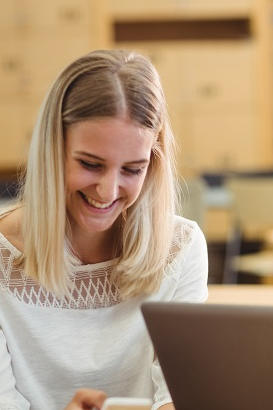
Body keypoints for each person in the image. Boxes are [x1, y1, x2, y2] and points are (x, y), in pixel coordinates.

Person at [0, 50, 208, 409]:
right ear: (52, 150)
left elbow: (179, 395)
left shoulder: (182, 247)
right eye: (91, 164)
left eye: (132, 170)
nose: (108, 192)